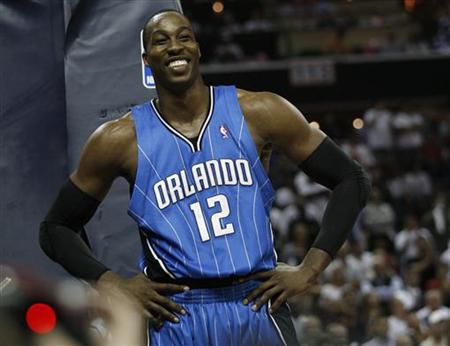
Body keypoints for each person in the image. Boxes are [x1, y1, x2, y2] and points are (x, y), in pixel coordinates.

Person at [39, 9, 371, 346]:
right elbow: (55, 229)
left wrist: (310, 269)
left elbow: (351, 179)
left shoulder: (259, 111)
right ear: (146, 60)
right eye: (161, 40)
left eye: (184, 37)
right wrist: (110, 282)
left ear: (198, 48)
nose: (174, 47)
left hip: (255, 304)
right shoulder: (119, 139)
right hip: (176, 315)